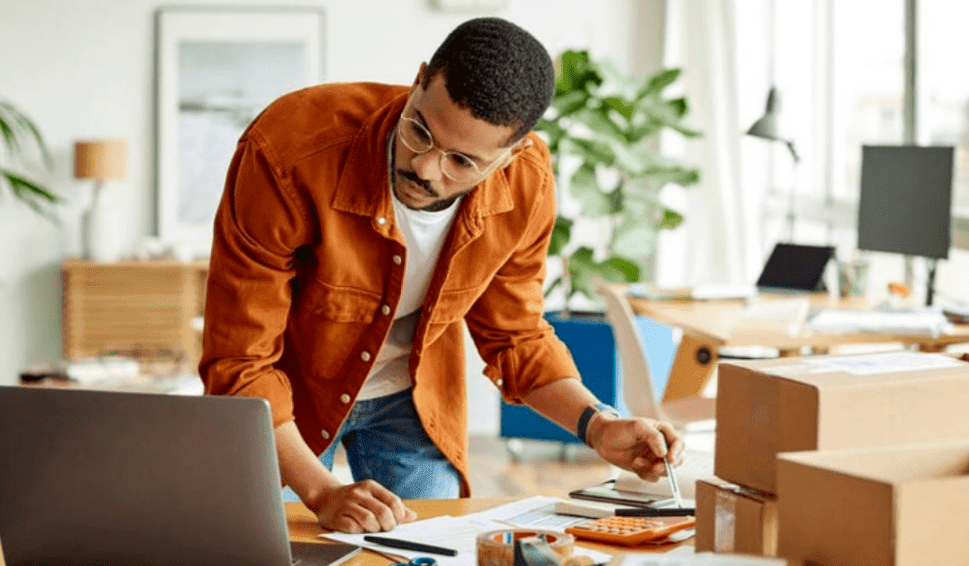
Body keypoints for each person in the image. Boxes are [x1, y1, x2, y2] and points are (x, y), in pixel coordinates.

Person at [199, 17, 684, 534]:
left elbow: (516, 336)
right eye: (420, 131)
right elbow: (239, 362)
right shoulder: (288, 151)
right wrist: (321, 491)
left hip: (414, 399)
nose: (427, 168)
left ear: (510, 156)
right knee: (254, 545)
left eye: (460, 160)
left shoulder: (526, 183)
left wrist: (599, 425)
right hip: (285, 401)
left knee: (427, 549)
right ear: (421, 80)